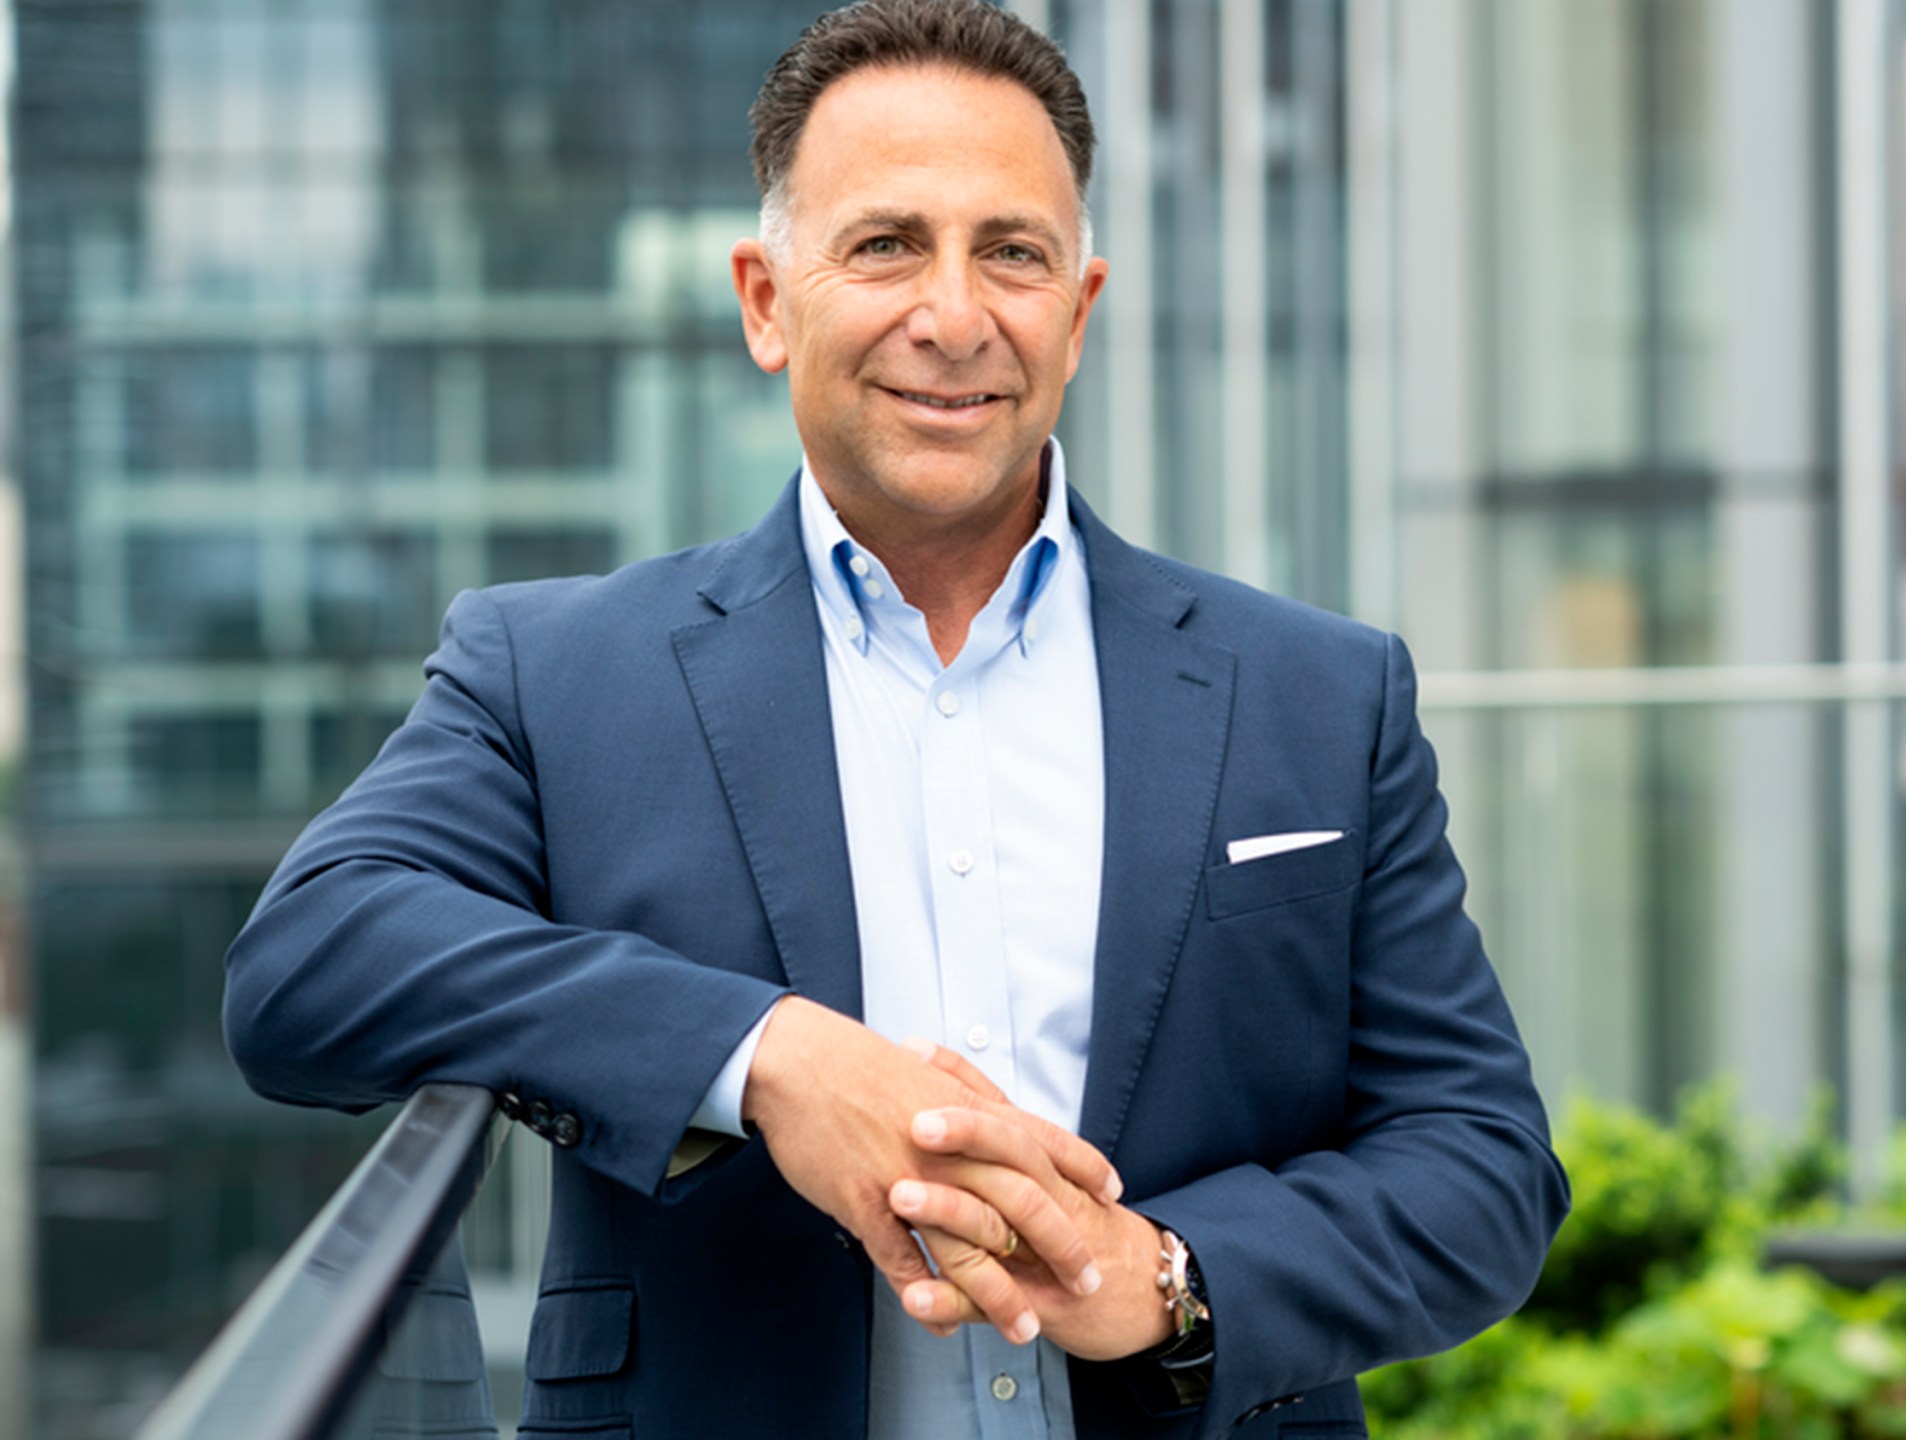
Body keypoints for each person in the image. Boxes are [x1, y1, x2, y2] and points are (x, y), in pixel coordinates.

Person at [222, 1, 1567, 1435]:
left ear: (1079, 310)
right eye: (884, 245)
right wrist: (770, 1059)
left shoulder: (1317, 691)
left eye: (1012, 252)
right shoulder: (554, 670)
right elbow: (312, 963)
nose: (954, 314)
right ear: (762, 299)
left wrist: (1173, 1279)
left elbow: (1481, 1164)